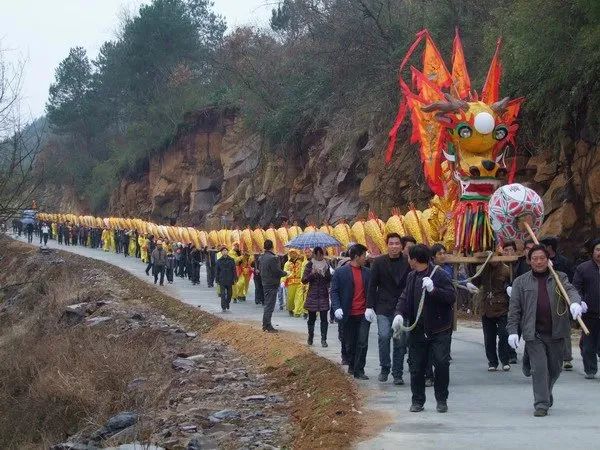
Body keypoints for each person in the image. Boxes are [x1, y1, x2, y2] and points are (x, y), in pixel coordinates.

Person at [507, 245, 582, 417]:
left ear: (548, 260)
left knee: (555, 369)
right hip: (534, 333)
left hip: (557, 332)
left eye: (542, 258)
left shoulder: (559, 278)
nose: (539, 261)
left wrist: (575, 302)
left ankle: (546, 392)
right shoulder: (521, 282)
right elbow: (515, 309)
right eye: (535, 258)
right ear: (529, 261)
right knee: (539, 369)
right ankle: (541, 403)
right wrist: (512, 330)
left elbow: (571, 291)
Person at [392, 244, 455, 413]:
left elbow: (451, 296)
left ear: (414, 259)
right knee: (416, 366)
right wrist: (399, 313)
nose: (408, 260)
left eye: (409, 257)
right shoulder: (412, 276)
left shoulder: (440, 275)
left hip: (439, 329)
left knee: (441, 364)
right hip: (418, 330)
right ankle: (418, 400)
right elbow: (405, 297)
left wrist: (433, 290)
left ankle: (441, 399)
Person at [366, 233, 410, 385]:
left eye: (397, 243)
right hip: (383, 306)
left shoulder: (407, 261)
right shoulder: (379, 262)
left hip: (402, 307)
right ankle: (384, 368)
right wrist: (369, 307)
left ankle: (397, 373)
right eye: (391, 243)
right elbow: (372, 285)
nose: (394, 246)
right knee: (384, 337)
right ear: (387, 245)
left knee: (400, 341)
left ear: (401, 246)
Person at [331, 244, 371, 380]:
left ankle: (360, 369)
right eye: (363, 256)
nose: (365, 258)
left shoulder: (367, 272)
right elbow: (334, 291)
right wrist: (336, 308)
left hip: (363, 314)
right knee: (350, 342)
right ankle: (352, 365)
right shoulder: (340, 272)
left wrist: (371, 307)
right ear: (356, 256)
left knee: (363, 342)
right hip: (348, 313)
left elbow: (371, 292)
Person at [540, 236, 576, 370]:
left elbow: (571, 279)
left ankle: (567, 358)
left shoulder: (564, 262)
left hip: (560, 297)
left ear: (549, 247)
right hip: (543, 297)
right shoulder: (540, 261)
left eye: (544, 246)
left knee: (564, 328)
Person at [474, 259, 512, 371]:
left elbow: (511, 283)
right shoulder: (481, 268)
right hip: (486, 307)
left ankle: (505, 360)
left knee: (504, 334)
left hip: (502, 307)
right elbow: (476, 282)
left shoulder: (506, 269)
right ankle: (492, 362)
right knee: (489, 337)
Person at [573, 237, 600, 379]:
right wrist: (579, 302)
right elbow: (576, 287)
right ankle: (590, 370)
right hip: (589, 313)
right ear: (592, 251)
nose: (599, 252)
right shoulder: (583, 268)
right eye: (598, 249)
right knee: (589, 344)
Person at [302, 247, 332, 347]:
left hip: (323, 295)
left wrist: (326, 274)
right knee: (312, 319)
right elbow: (304, 280)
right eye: (317, 254)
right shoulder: (310, 265)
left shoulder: (326, 265)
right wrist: (312, 273)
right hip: (313, 296)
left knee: (324, 319)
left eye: (321, 254)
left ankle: (324, 339)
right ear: (314, 254)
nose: (319, 256)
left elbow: (329, 280)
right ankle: (310, 337)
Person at [259, 239, 288, 332]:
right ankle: (267, 325)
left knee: (268, 304)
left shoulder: (262, 257)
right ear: (272, 247)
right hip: (272, 283)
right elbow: (277, 271)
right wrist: (285, 273)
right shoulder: (273, 258)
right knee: (269, 305)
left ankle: (265, 324)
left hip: (265, 283)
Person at [215, 247, 237, 312]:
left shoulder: (231, 260)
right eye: (223, 251)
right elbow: (217, 271)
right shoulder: (218, 261)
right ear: (221, 252)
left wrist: (235, 277)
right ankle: (223, 307)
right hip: (222, 279)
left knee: (230, 294)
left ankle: (227, 303)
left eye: (226, 250)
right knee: (223, 294)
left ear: (227, 252)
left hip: (229, 279)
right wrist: (217, 279)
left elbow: (234, 269)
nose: (225, 252)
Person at [284, 250, 305, 317]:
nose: (292, 254)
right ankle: (290, 309)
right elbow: (285, 273)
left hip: (299, 282)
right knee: (291, 298)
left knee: (299, 297)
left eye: (294, 253)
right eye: (291, 253)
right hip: (291, 283)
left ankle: (297, 312)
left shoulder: (301, 261)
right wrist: (282, 281)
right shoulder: (287, 263)